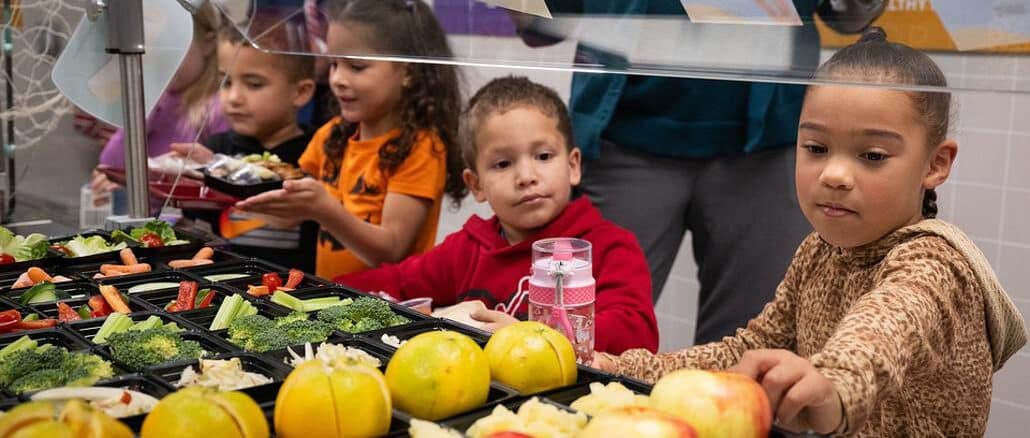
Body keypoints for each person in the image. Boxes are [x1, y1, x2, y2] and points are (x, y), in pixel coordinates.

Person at [594, 29, 1027, 436]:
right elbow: (749, 351)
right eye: (816, 148)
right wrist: (619, 369)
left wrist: (832, 386)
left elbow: (879, 336)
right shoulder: (819, 250)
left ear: (936, 164)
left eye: (872, 156)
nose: (834, 174)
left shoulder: (935, 266)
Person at [512, 0, 885, 345]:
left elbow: (851, 15)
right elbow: (537, 20)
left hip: (767, 141)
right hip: (622, 135)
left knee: (749, 359)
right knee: (575, 340)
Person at [339, 76, 658, 355]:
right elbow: (398, 281)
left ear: (573, 165)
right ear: (476, 185)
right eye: (503, 164)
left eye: (543, 156)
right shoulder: (468, 249)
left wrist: (526, 335)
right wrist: (323, 290)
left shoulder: (609, 246)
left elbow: (637, 332)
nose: (526, 176)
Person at [235, 0, 466, 279]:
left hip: (387, 299)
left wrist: (324, 210)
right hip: (332, 294)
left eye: (356, 67)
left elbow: (391, 250)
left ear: (408, 73)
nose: (337, 79)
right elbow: (289, 214)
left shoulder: (421, 149)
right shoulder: (332, 134)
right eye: (334, 64)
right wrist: (220, 173)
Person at [173, 15, 318, 272]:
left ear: (301, 92)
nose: (234, 97)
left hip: (295, 285)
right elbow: (199, 229)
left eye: (253, 84)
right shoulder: (216, 149)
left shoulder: (317, 154)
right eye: (225, 82)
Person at [91, 2, 229, 212]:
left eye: (172, 46)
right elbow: (110, 164)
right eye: (150, 47)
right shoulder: (156, 101)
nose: (160, 58)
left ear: (208, 43)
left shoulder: (220, 109)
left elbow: (221, 184)